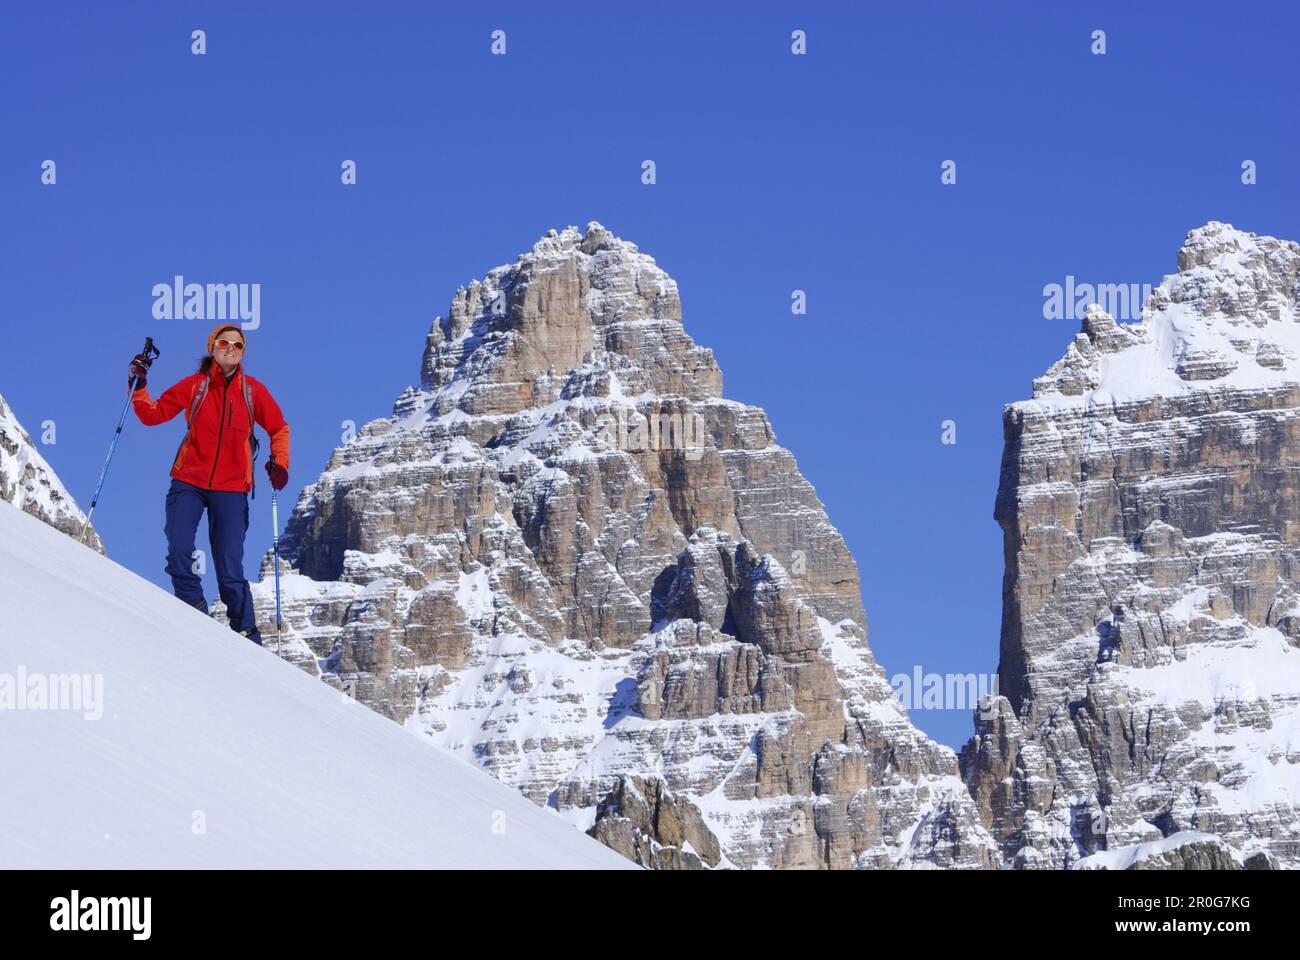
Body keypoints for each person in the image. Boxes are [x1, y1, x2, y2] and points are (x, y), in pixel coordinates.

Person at [128, 324, 290, 646]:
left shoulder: (253, 391)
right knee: (179, 549)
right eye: (225, 343)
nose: (231, 348)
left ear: (243, 353)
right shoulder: (196, 386)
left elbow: (279, 428)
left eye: (238, 345)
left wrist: (280, 464)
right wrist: (139, 384)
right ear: (212, 347)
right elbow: (153, 414)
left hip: (232, 489)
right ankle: (194, 611)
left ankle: (246, 634)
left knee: (229, 569)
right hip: (188, 480)